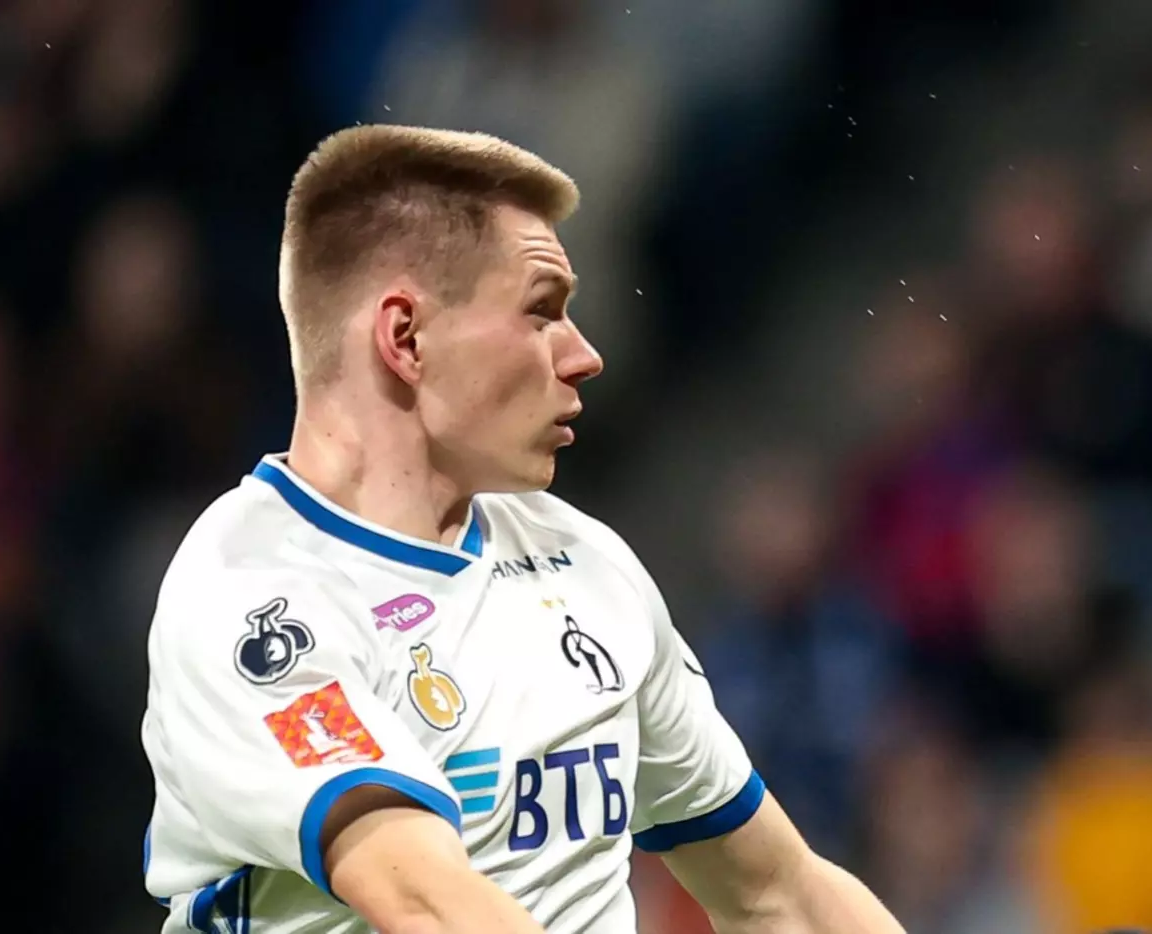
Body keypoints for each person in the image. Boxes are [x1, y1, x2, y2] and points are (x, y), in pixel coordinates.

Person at [140, 125, 907, 934]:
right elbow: (430, 907)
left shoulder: (584, 564)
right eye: (542, 312)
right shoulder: (250, 597)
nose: (584, 355)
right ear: (404, 338)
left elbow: (777, 892)